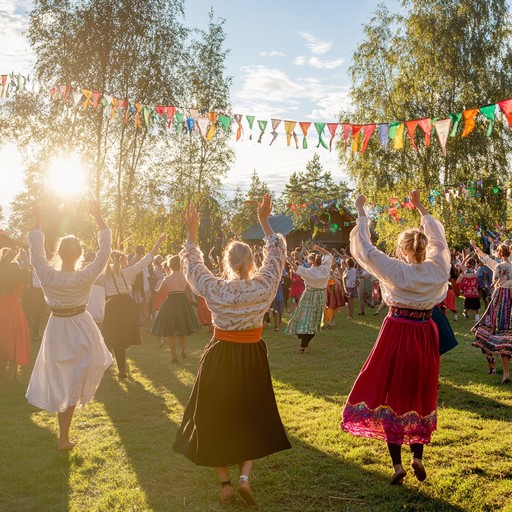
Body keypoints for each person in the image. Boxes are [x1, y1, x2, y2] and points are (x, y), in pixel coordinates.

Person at [173, 195, 291, 506]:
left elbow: (193, 266)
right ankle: (244, 478)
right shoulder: (263, 287)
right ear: (252, 263)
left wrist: (192, 232)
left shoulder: (216, 288)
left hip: (221, 354)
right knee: (250, 414)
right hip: (251, 355)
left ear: (227, 263)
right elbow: (277, 255)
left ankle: (225, 483)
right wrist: (265, 221)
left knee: (216, 416)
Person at [341, 190, 450, 485]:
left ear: (402, 250)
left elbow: (364, 248)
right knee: (420, 391)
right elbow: (440, 242)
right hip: (426, 334)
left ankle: (398, 465)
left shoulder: (395, 269)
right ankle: (418, 456)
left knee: (393, 396)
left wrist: (361, 211)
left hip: (398, 333)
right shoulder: (437, 268)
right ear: (424, 249)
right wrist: (421, 208)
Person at [26, 201, 113, 450]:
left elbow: (36, 253)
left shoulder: (47, 274)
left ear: (61, 253)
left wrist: (39, 221)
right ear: (78, 254)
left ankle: (64, 436)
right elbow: (104, 254)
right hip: (78, 327)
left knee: (65, 380)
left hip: (58, 328)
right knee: (72, 381)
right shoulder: (83, 276)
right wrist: (99, 219)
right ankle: (64, 436)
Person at [102, 234, 166, 379]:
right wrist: (158, 242)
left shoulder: (104, 275)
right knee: (119, 336)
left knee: (110, 335)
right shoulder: (127, 272)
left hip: (112, 305)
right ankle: (120, 367)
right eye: (125, 260)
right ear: (121, 261)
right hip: (125, 305)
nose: (127, 262)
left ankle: (113, 363)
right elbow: (147, 259)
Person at [470, 241, 512, 383]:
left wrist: (475, 246)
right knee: (506, 336)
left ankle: (492, 367)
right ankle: (506, 372)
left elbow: (485, 260)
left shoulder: (498, 266)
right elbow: (485, 258)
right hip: (510, 302)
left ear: (500, 253)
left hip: (499, 299)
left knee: (487, 331)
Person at [150, 255, 199, 362]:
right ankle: (183, 349)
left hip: (171, 303)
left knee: (169, 330)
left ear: (170, 265)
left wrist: (153, 287)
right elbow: (189, 291)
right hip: (182, 302)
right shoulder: (184, 277)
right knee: (181, 328)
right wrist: (192, 301)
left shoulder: (167, 278)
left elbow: (159, 292)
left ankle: (174, 356)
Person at [285, 246, 334, 353]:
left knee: (304, 317)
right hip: (321, 295)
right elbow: (328, 254)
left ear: (311, 263)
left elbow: (296, 268)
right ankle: (305, 341)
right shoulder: (325, 268)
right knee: (314, 320)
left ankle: (303, 340)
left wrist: (289, 260)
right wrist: (317, 247)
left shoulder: (309, 272)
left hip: (309, 295)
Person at [0, 248, 30, 382]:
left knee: (3, 339)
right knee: (15, 339)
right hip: (12, 306)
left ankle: (3, 374)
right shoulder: (15, 269)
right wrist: (25, 258)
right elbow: (30, 273)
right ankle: (11, 377)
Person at [457, 254, 480, 321]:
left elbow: (458, 280)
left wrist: (461, 287)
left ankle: (466, 314)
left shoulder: (465, 272)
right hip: (475, 292)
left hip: (467, 291)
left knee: (467, 306)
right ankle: (477, 317)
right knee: (476, 306)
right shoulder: (475, 272)